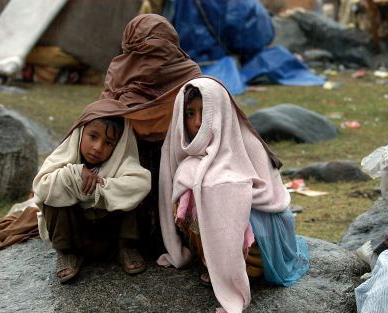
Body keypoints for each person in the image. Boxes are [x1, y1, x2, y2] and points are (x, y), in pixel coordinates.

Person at [157, 77, 310, 313]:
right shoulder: (187, 156)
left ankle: (231, 274)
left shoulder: (248, 144)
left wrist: (225, 191)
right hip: (225, 242)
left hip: (258, 248)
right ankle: (213, 264)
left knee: (209, 190)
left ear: (221, 112)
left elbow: (272, 198)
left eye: (205, 112)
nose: (198, 122)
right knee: (189, 185)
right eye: (189, 113)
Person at [66, 13, 202, 258]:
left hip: (175, 155)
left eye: (160, 49)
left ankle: (166, 239)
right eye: (144, 51)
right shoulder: (121, 70)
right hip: (124, 150)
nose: (152, 59)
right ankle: (126, 244)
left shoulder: (189, 73)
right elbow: (103, 117)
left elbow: (202, 119)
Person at [33, 115, 151, 283]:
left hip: (110, 237)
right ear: (80, 133)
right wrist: (74, 175)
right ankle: (67, 253)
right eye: (93, 136)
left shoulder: (122, 163)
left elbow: (141, 183)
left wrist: (100, 188)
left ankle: (126, 247)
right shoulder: (62, 158)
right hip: (76, 236)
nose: (97, 147)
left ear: (118, 146)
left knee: (133, 191)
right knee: (54, 189)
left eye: (109, 143)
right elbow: (41, 187)